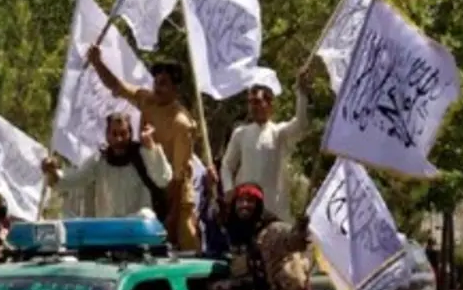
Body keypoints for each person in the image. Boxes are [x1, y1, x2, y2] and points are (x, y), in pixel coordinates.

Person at [85, 45, 199, 251]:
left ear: (175, 88)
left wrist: (171, 215)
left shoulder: (181, 123)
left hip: (175, 190)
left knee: (183, 238)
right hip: (149, 177)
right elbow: (116, 86)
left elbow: (179, 177)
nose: (158, 88)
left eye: (164, 84)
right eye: (156, 82)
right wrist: (97, 62)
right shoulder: (147, 100)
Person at [220, 67, 312, 224]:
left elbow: (301, 124)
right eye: (250, 102)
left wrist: (301, 94)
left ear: (269, 104)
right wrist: (228, 189)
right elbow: (227, 165)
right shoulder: (240, 133)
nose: (253, 107)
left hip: (274, 208)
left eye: (257, 102)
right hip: (246, 207)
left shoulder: (279, 133)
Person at [42, 115, 172, 218]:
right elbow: (71, 180)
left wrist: (151, 146)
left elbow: (163, 179)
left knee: (145, 215)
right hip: (110, 232)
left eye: (123, 133)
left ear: (130, 134)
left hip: (138, 231)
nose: (119, 139)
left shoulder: (144, 155)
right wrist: (52, 171)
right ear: (107, 136)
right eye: (114, 134)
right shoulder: (99, 161)